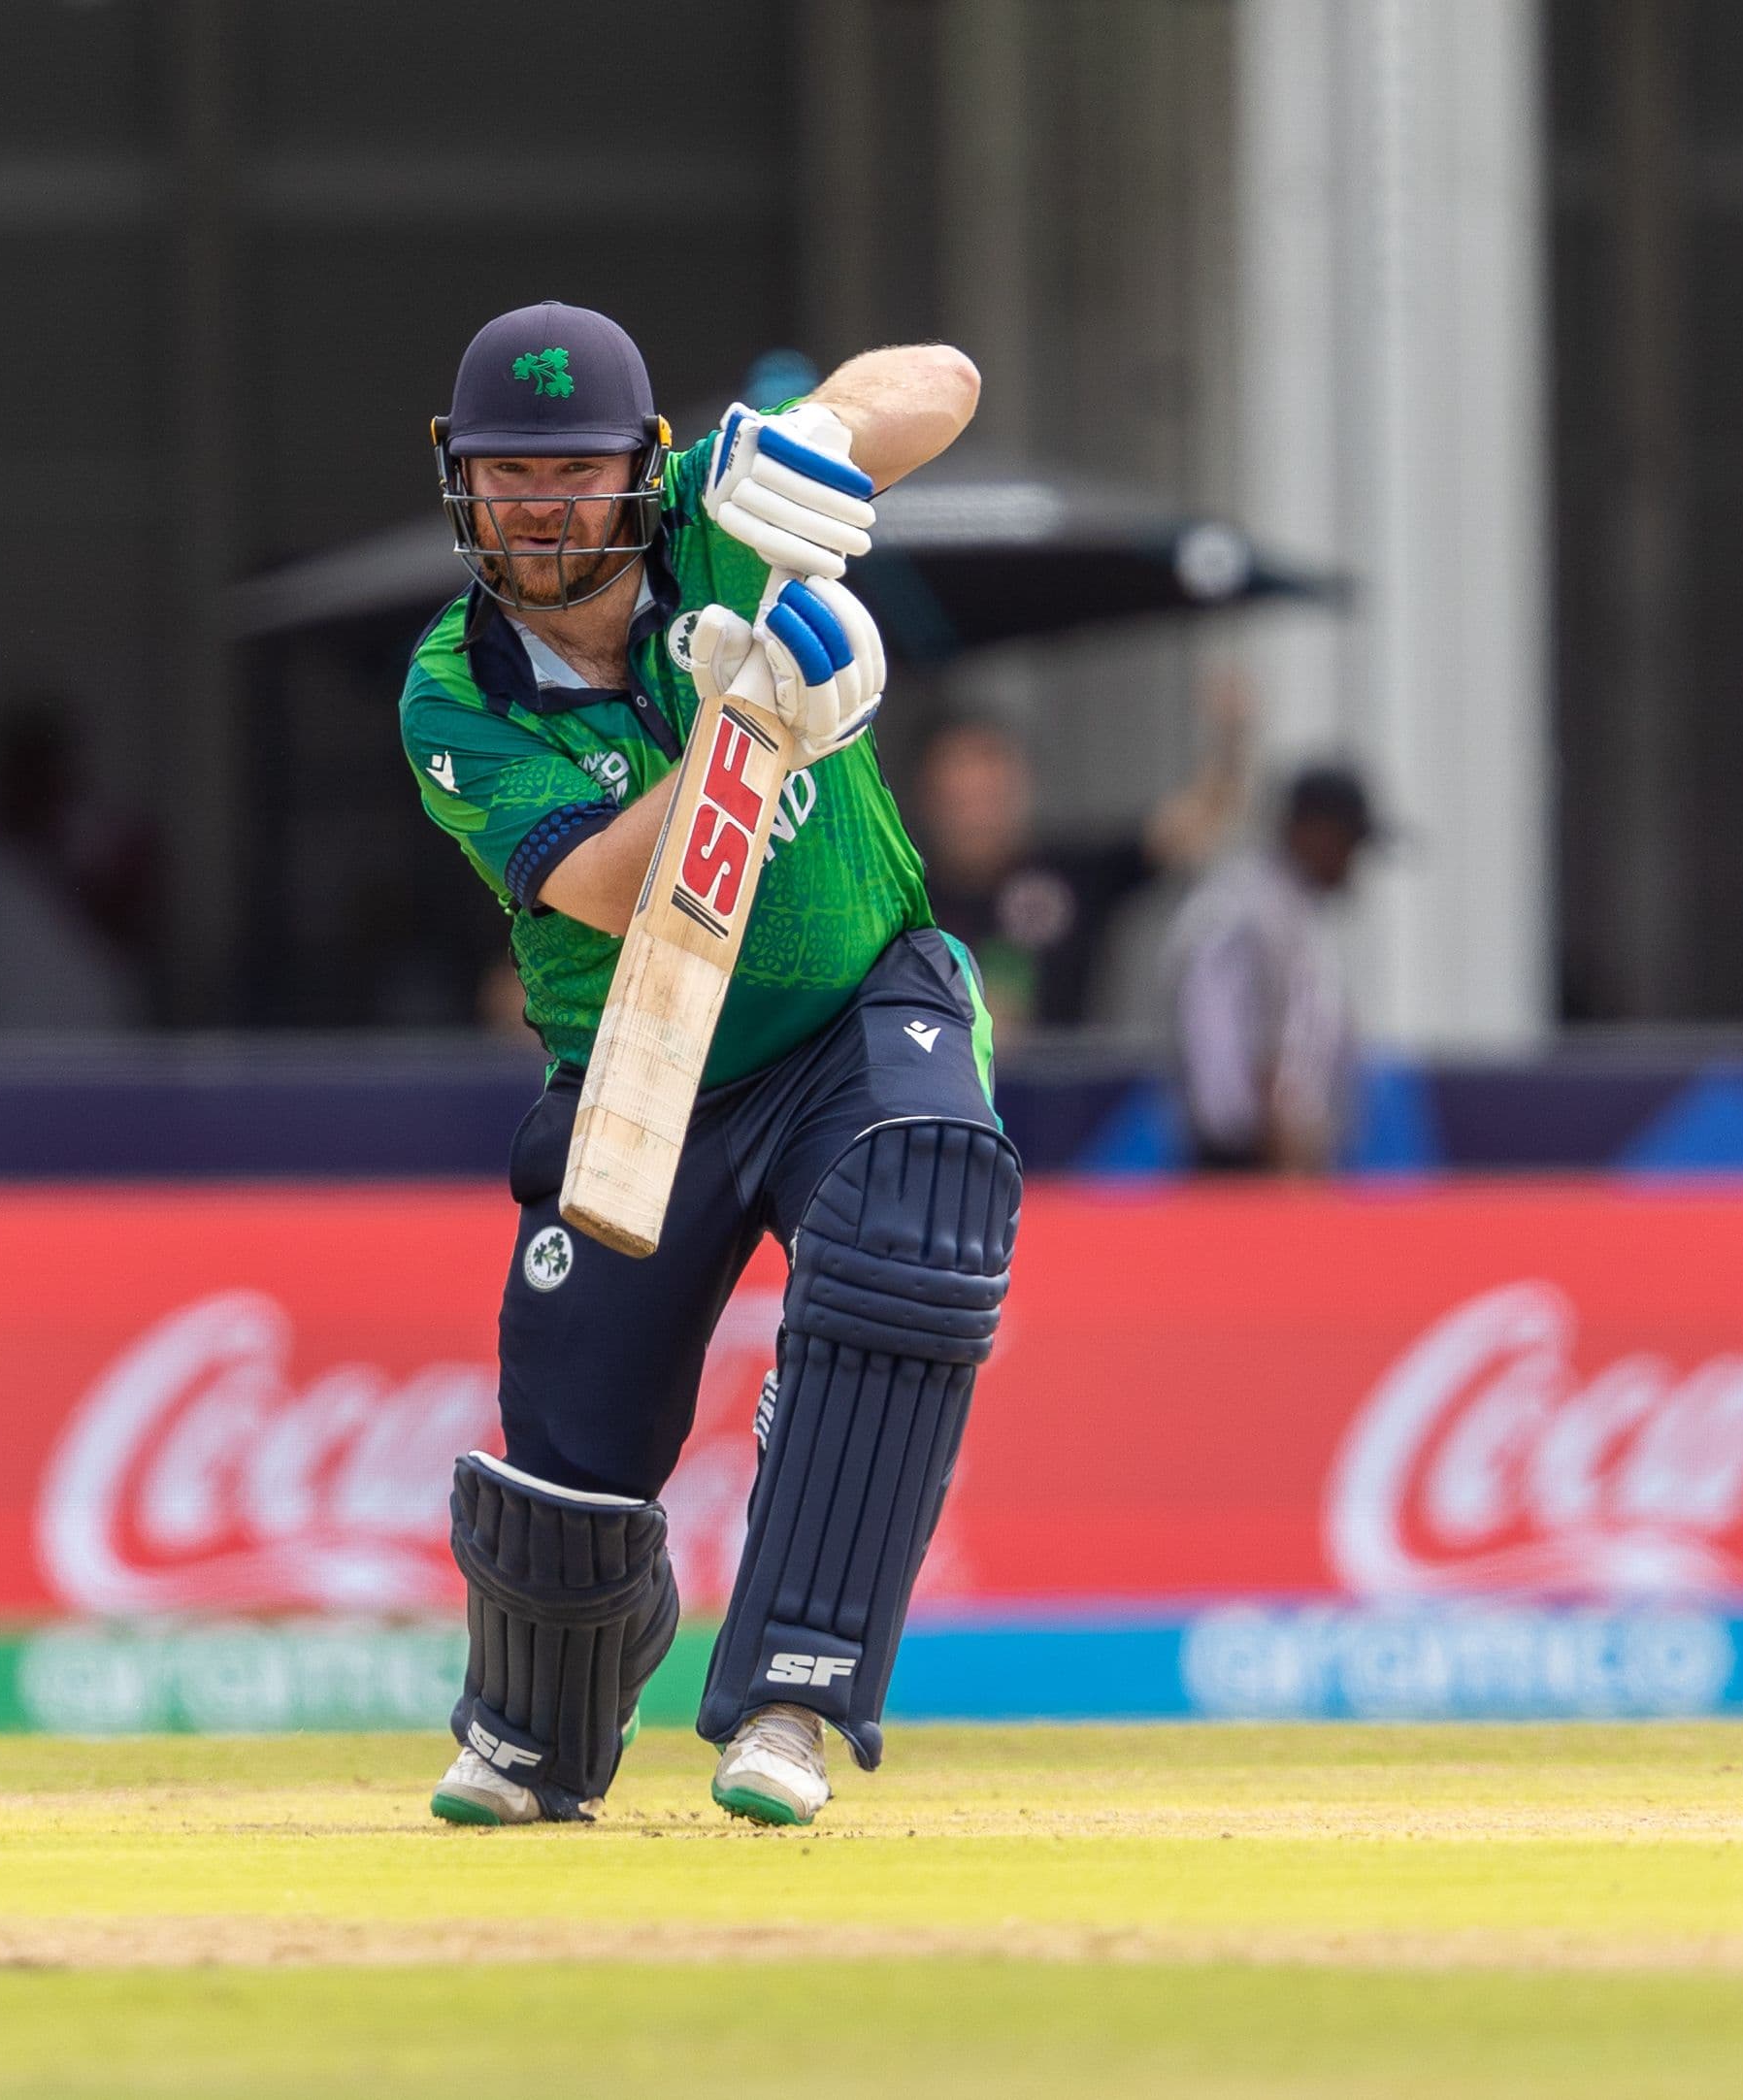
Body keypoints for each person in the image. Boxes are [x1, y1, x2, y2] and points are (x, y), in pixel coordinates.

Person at [400, 302, 1004, 1827]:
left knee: (912, 1218)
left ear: (642, 466)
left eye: (577, 471)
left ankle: (793, 1702)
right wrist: (757, 724)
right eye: (506, 474)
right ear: (460, 482)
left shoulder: (721, 511)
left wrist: (812, 442)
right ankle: (540, 1729)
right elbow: (613, 886)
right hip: (640, 1067)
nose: (542, 507)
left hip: (854, 1003)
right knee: (576, 1441)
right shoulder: (451, 692)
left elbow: (942, 384)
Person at [913, 673, 1252, 1034]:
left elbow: (1192, 827)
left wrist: (1230, 740)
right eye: (959, 801)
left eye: (990, 796)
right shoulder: (901, 899)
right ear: (928, 798)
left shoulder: (1072, 874)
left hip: (1071, 1086)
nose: (975, 816)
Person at [1162, 764, 1379, 1172]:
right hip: (1248, 1171)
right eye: (1351, 843)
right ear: (1316, 833)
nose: (1354, 862)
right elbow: (1217, 1051)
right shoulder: (1242, 908)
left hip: (1283, 1162)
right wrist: (1271, 1135)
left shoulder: (1293, 911)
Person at [0, 697, 154, 1031]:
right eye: (20, 770)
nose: (30, 784)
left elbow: (138, 939)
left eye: (42, 769)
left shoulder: (109, 840)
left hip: (98, 1054)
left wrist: (52, 855)